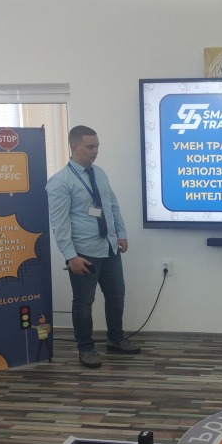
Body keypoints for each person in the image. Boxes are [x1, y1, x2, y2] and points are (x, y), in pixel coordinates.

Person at [47, 125, 141, 368]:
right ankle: (86, 348)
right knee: (83, 302)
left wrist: (121, 234)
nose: (95, 151)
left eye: (97, 146)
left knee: (116, 296)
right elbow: (59, 224)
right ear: (74, 147)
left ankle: (115, 339)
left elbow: (112, 206)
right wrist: (71, 256)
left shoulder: (100, 173)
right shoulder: (60, 182)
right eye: (90, 147)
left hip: (109, 247)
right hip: (84, 253)